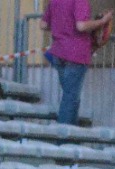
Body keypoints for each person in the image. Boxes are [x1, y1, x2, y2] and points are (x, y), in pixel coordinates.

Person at [42, 0, 110, 128]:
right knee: (70, 98)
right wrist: (102, 21)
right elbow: (81, 26)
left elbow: (43, 25)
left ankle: (72, 137)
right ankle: (62, 138)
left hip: (58, 52)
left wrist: (62, 27)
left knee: (71, 96)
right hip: (76, 54)